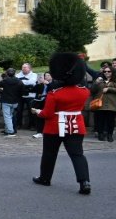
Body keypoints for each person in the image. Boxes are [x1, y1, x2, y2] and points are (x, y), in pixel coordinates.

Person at [32, 53, 92, 194]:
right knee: (77, 154)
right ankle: (85, 182)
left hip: (54, 128)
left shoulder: (55, 93)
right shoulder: (84, 92)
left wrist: (36, 112)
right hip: (76, 126)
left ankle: (45, 178)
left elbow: (47, 114)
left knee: (49, 154)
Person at [90, 65, 116, 142]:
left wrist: (109, 89)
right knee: (100, 121)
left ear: (112, 72)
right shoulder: (99, 80)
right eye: (105, 71)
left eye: (109, 71)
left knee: (110, 121)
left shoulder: (114, 81)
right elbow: (92, 91)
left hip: (111, 105)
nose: (106, 73)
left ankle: (109, 135)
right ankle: (100, 134)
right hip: (100, 104)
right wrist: (96, 83)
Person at [0, 68, 24, 136]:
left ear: (7, 73)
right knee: (10, 116)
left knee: (7, 117)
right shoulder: (19, 81)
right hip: (15, 101)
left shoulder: (3, 81)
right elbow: (22, 91)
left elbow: (1, 90)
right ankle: (7, 130)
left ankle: (10, 131)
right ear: (14, 73)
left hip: (6, 101)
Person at [15, 63, 39, 130]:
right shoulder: (18, 75)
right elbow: (17, 83)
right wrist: (27, 83)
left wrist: (22, 82)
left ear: (29, 68)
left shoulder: (34, 75)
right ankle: (18, 125)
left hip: (30, 95)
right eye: (22, 67)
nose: (23, 68)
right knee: (18, 111)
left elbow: (32, 82)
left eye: (25, 67)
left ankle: (32, 126)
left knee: (31, 111)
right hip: (20, 95)